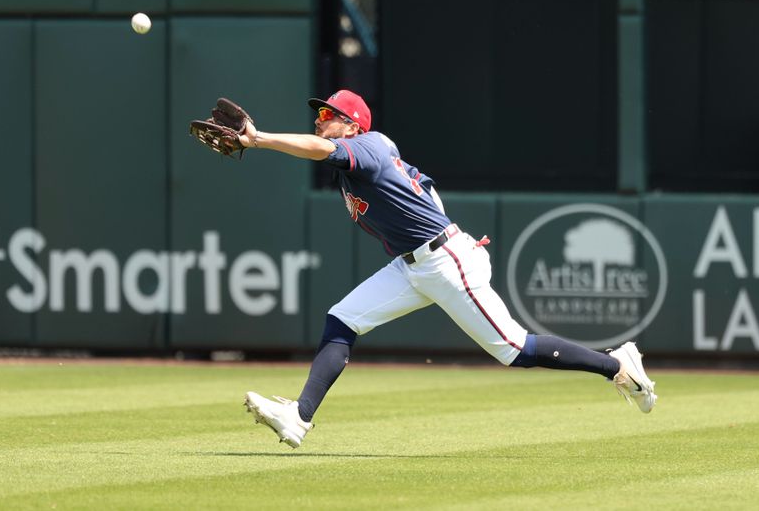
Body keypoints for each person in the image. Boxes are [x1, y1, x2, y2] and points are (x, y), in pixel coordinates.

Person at [240, 89, 657, 448]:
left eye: (329, 114)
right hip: (412, 264)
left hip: (443, 259)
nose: (319, 120)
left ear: (352, 126)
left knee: (513, 350)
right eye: (319, 114)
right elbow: (426, 186)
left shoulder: (365, 147)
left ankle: (617, 364)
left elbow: (321, 150)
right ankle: (299, 416)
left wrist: (258, 139)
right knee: (343, 318)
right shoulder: (370, 156)